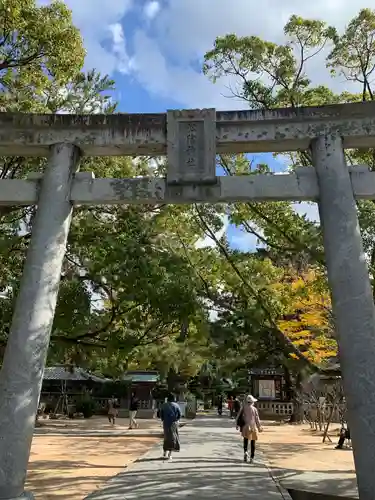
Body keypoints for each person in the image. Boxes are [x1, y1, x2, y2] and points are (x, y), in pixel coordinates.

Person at [236, 394, 262, 463]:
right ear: (252, 402)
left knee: (245, 440)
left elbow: (238, 416)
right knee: (253, 442)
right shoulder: (254, 409)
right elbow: (257, 419)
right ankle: (252, 458)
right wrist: (259, 427)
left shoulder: (243, 407)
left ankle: (245, 452)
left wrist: (237, 425)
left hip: (245, 427)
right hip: (253, 427)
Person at [160, 393, 181, 460]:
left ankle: (165, 452)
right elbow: (179, 414)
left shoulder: (164, 405)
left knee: (166, 437)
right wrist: (176, 420)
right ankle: (170, 454)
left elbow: (161, 414)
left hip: (166, 423)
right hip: (174, 423)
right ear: (173, 398)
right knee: (173, 438)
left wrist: (163, 419)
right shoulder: (176, 405)